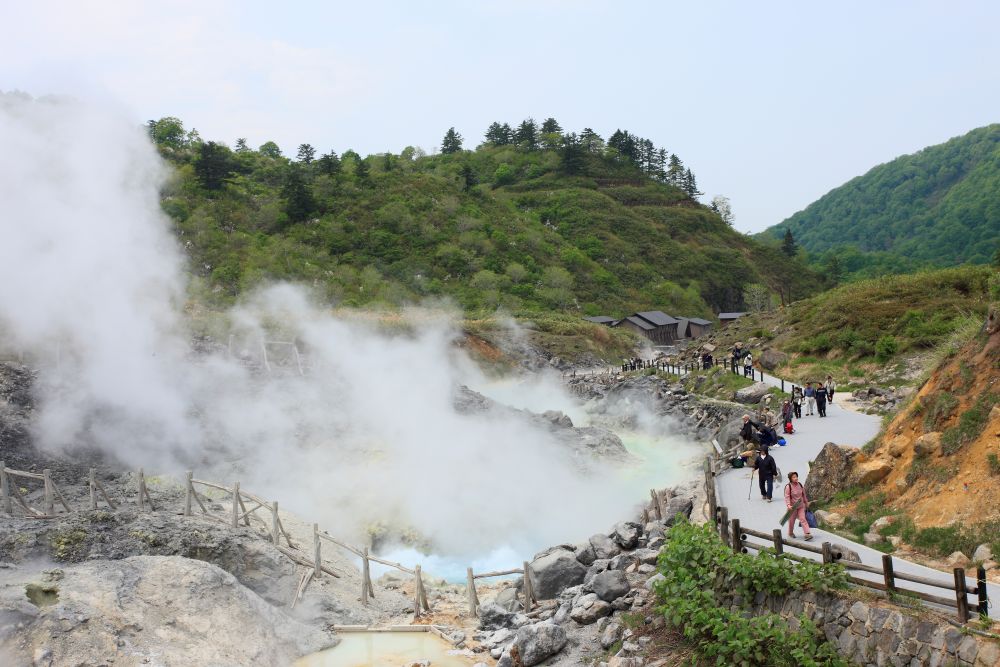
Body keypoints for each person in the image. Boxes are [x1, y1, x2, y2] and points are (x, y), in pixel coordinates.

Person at [784, 472, 813, 540]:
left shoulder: (800, 484)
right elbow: (787, 497)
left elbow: (803, 494)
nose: (796, 478)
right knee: (791, 521)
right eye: (793, 477)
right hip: (792, 507)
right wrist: (788, 505)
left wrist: (806, 502)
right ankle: (790, 533)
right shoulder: (788, 487)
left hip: (800, 506)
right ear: (790, 479)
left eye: (796, 476)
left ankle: (807, 534)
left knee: (803, 519)